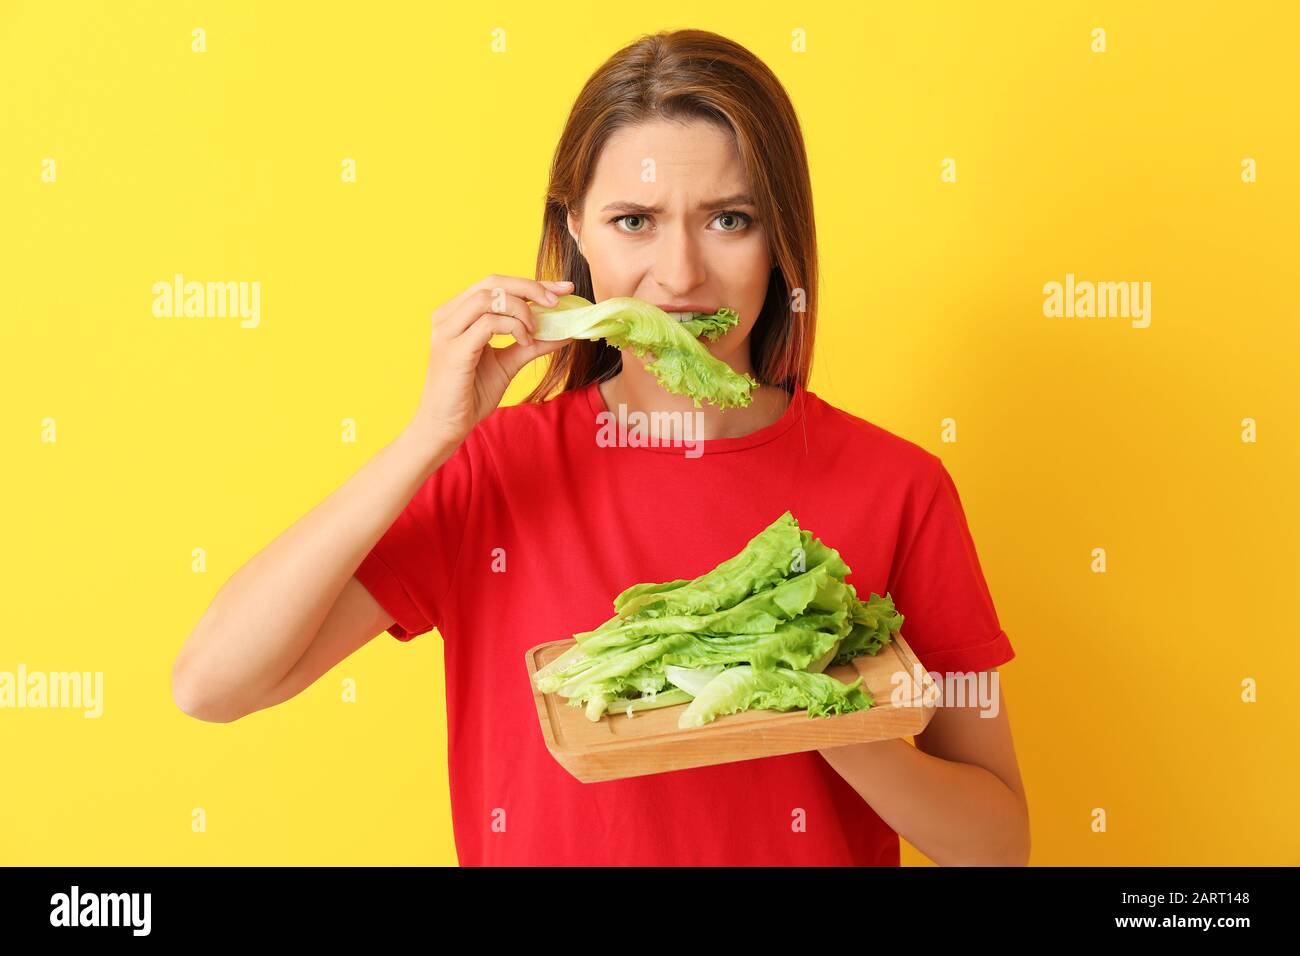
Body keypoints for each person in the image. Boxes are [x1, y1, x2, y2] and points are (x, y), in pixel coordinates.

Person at [171, 29, 1029, 867]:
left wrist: (830, 711)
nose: (681, 274)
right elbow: (213, 685)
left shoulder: (899, 486)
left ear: (782, 239)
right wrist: (429, 439)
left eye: (730, 219)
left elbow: (997, 849)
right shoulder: (493, 470)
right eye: (635, 221)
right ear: (576, 231)